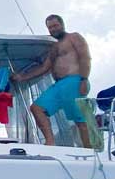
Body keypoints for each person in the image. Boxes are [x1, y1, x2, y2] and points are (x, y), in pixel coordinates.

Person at [15, 14, 92, 147]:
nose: (53, 29)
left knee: (79, 118)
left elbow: (85, 57)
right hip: (58, 85)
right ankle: (50, 142)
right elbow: (44, 68)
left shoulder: (74, 37)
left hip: (74, 81)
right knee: (36, 108)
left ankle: (90, 150)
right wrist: (22, 77)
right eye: (50, 28)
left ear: (62, 25)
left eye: (55, 26)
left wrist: (84, 79)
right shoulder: (54, 47)